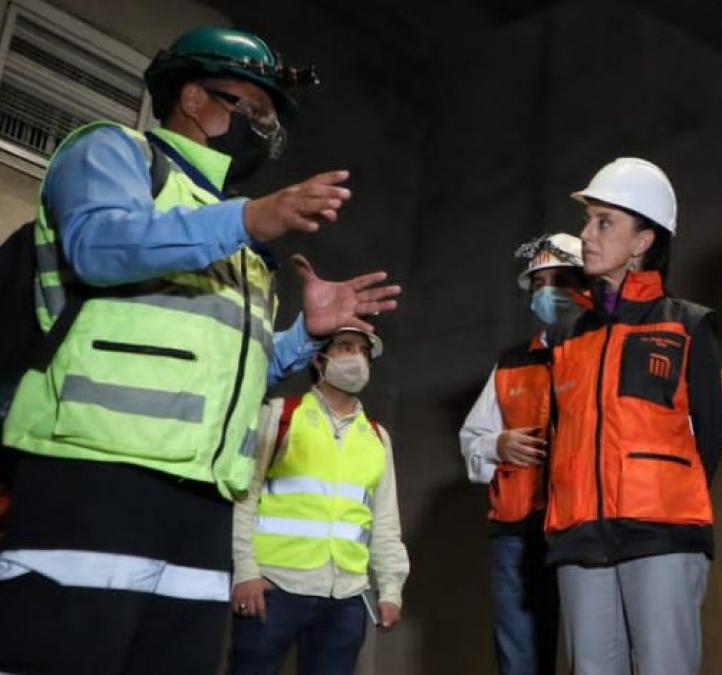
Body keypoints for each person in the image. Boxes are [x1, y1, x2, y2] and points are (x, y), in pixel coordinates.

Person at [0, 27, 400, 674]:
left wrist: (306, 336)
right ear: (193, 97)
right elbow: (98, 246)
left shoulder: (236, 235)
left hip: (202, 501)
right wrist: (246, 219)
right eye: (256, 108)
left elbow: (239, 376)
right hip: (94, 479)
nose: (268, 128)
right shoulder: (116, 152)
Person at [546, 157, 722, 675]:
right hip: (579, 537)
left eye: (604, 222)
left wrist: (657, 495)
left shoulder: (688, 325)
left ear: (643, 241)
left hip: (662, 535)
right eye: (588, 221)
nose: (587, 235)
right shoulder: (565, 336)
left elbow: (707, 440)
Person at [229, 327, 408, 674]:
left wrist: (391, 590)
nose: (356, 358)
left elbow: (385, 520)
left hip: (346, 597)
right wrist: (245, 573)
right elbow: (244, 497)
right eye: (344, 347)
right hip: (273, 587)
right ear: (318, 358)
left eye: (363, 352)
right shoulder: (280, 415)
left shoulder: (376, 436)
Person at [459, 232, 586, 675]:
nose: (547, 291)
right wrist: (497, 443)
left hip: (582, 528)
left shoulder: (604, 355)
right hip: (517, 533)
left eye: (559, 279)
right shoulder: (512, 363)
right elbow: (472, 438)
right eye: (538, 282)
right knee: (519, 659)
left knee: (592, 655)